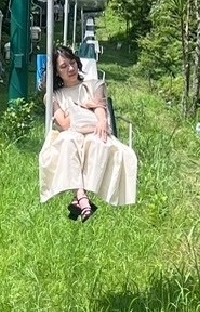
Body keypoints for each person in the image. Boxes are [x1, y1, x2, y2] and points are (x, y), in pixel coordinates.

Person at [39, 44, 137, 222]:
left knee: (97, 142)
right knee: (70, 140)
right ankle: (82, 198)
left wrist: (98, 118)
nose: (70, 69)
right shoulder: (53, 96)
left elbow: (100, 110)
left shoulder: (92, 86)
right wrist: (86, 107)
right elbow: (64, 123)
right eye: (63, 66)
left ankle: (80, 200)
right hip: (72, 133)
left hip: (92, 130)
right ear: (57, 73)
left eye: (72, 63)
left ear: (77, 63)